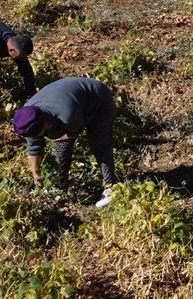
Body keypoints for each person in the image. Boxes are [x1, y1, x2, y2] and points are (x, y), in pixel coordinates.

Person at [11, 77, 118, 208]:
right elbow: (34, 147)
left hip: (97, 97)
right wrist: (35, 173)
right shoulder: (27, 117)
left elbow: (73, 131)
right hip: (68, 97)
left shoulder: (65, 114)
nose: (36, 137)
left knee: (100, 144)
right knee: (60, 148)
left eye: (39, 133)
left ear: (45, 123)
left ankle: (111, 187)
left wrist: (60, 137)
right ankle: (60, 185)